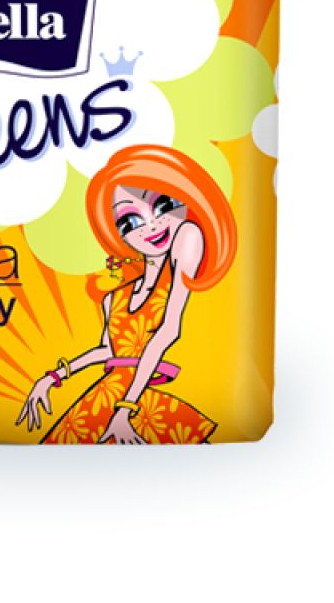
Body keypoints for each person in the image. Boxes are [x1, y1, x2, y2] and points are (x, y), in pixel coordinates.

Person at [17, 145, 237, 444]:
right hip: (108, 392)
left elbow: (168, 331)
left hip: (137, 398)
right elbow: (108, 351)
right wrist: (53, 377)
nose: (152, 225)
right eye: (130, 222)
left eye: (163, 205)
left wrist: (126, 408)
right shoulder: (115, 298)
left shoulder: (186, 237)